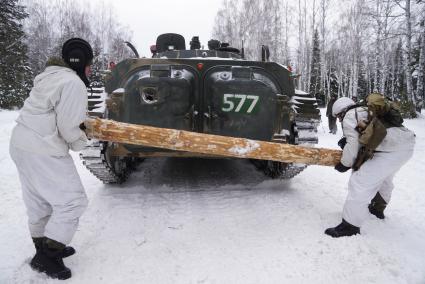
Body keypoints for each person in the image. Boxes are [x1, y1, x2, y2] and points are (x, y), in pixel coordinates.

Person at [9, 38, 93, 279]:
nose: (89, 69)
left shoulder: (49, 76)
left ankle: (43, 244)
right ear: (78, 61)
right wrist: (83, 141)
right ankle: (47, 256)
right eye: (88, 64)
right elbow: (69, 127)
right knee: (73, 202)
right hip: (43, 148)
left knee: (40, 201)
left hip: (21, 144)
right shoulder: (73, 83)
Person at [324, 96, 416, 238]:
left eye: (337, 117)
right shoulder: (366, 109)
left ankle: (350, 226)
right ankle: (377, 209)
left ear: (340, 112)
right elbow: (368, 135)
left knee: (359, 182)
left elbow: (353, 145)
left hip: (389, 149)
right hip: (406, 145)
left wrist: (344, 164)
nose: (339, 120)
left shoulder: (349, 115)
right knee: (384, 178)